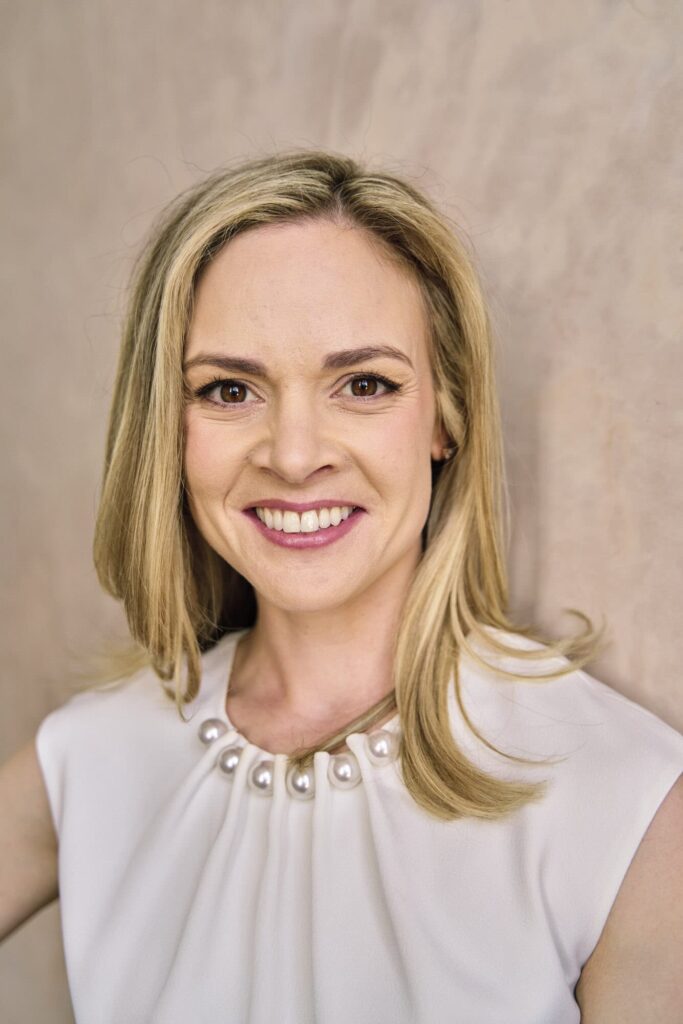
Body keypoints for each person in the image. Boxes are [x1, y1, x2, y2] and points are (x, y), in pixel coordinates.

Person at [0, 150, 681, 1024]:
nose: (292, 454)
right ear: (166, 431)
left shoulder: (619, 797)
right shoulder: (89, 759)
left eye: (363, 384)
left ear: (445, 416)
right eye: (228, 389)